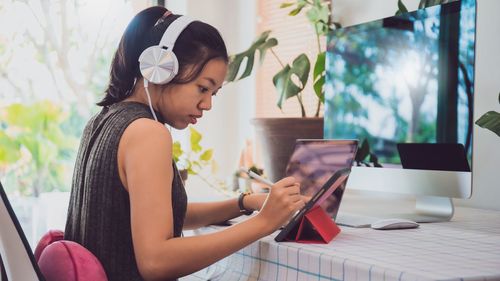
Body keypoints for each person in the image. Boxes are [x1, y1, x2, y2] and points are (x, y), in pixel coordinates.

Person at [64, 6, 306, 281]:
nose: (207, 104)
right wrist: (264, 223)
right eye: (203, 88)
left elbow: (160, 215)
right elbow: (156, 261)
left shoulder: (102, 121)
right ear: (160, 70)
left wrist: (244, 202)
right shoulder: (148, 133)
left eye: (214, 93)